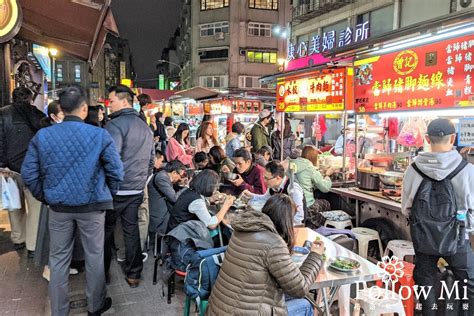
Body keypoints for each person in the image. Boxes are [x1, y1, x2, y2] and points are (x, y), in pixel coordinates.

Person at [21, 85, 124, 316]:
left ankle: (60, 311)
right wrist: (106, 193)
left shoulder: (43, 136)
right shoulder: (99, 135)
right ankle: (95, 306)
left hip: (59, 207)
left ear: (61, 109)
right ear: (85, 109)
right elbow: (117, 172)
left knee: (58, 260)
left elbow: (29, 174)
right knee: (94, 257)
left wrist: (45, 196)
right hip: (93, 207)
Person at [207, 194, 324, 315]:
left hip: (219, 309)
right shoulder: (273, 243)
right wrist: (315, 255)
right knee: (305, 304)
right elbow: (300, 289)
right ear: (286, 220)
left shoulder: (242, 229)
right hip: (243, 311)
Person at [402, 118, 474, 315]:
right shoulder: (467, 170)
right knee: (469, 281)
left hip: (423, 237)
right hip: (457, 238)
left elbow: (405, 208)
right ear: (453, 138)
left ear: (426, 138)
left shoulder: (413, 169)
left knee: (426, 282)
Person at [104, 85, 155, 288]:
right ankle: (134, 274)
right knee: (131, 230)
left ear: (124, 101)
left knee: (105, 232)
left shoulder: (114, 125)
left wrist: (109, 184)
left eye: (112, 101)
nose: (109, 105)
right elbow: (151, 161)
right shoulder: (145, 127)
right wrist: (142, 181)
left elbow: (110, 159)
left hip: (116, 190)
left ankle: (102, 275)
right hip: (136, 188)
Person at [0, 87, 45, 254]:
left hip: (10, 169)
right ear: (30, 99)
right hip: (34, 168)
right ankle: (33, 244)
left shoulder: (3, 114)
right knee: (35, 206)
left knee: (14, 205)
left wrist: (2, 163)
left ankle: (19, 238)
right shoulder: (38, 115)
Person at [167, 169, 235, 232]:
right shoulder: (197, 201)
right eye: (215, 186)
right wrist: (226, 206)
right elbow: (211, 225)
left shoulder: (191, 191)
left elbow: (197, 206)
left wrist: (211, 199)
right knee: (221, 233)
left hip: (177, 229)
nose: (216, 188)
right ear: (209, 186)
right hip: (179, 236)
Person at [242, 160, 305, 225]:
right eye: (264, 177)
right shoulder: (273, 186)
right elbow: (266, 198)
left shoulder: (292, 189)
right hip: (278, 220)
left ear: (278, 178)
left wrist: (284, 226)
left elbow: (299, 216)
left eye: (267, 178)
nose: (264, 181)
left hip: (291, 225)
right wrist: (252, 196)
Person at [148, 160, 187, 237]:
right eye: (181, 176)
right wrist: (186, 187)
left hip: (164, 215)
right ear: (174, 172)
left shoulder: (164, 176)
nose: (180, 178)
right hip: (159, 217)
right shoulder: (161, 177)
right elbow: (174, 198)